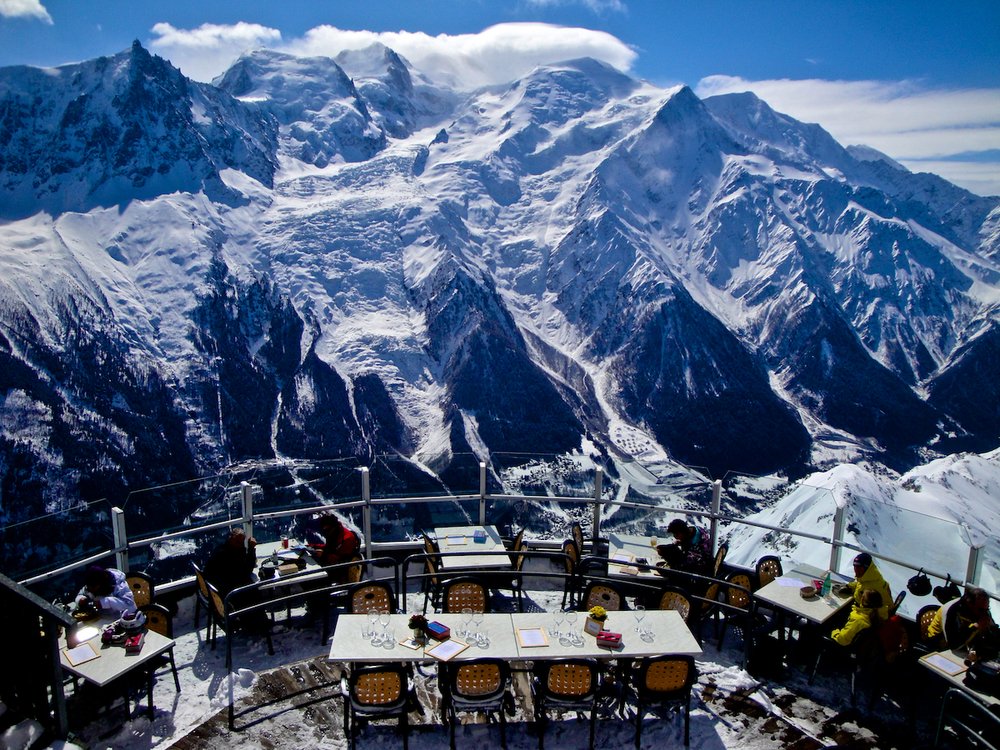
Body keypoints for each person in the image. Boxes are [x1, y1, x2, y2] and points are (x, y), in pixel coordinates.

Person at [928, 586, 999, 654]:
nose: (984, 613)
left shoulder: (982, 610)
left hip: (962, 642)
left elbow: (992, 631)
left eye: (987, 608)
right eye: (981, 610)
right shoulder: (951, 611)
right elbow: (953, 645)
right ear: (969, 603)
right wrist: (976, 627)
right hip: (938, 644)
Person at [204, 528, 258, 597]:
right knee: (254, 590)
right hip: (226, 593)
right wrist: (251, 549)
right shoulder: (226, 555)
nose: (240, 545)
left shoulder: (221, 548)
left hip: (216, 588)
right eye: (237, 541)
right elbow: (246, 572)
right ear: (231, 538)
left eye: (241, 542)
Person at [840, 553, 892, 622]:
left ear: (867, 568)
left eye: (859, 567)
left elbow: (875, 611)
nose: (856, 570)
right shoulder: (870, 577)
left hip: (872, 618)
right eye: (855, 566)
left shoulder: (873, 587)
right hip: (863, 611)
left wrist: (855, 617)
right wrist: (849, 586)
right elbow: (861, 584)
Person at [309, 515, 361, 583]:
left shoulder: (347, 539)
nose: (325, 531)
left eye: (326, 529)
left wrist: (323, 555)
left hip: (341, 570)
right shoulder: (334, 533)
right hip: (332, 563)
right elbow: (329, 547)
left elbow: (342, 560)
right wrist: (314, 546)